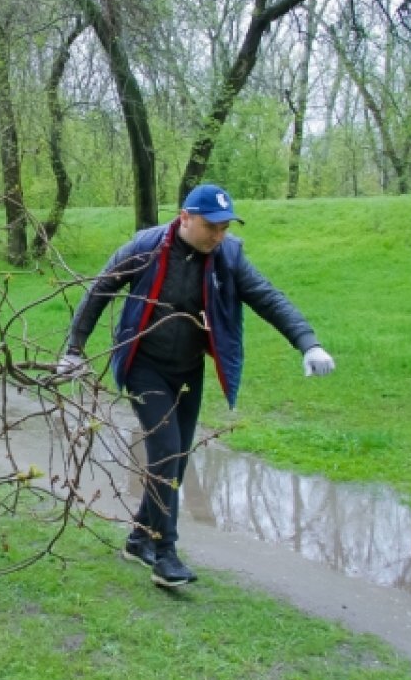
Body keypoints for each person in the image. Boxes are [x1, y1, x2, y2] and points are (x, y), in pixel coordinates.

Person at [57, 184, 335, 588]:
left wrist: (308, 344)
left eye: (225, 227)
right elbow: (100, 289)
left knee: (177, 458)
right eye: (212, 226)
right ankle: (165, 554)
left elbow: (268, 298)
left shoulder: (228, 255)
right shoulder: (146, 247)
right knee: (165, 450)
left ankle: (139, 538)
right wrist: (74, 350)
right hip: (143, 364)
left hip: (187, 369)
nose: (219, 235)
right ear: (185, 217)